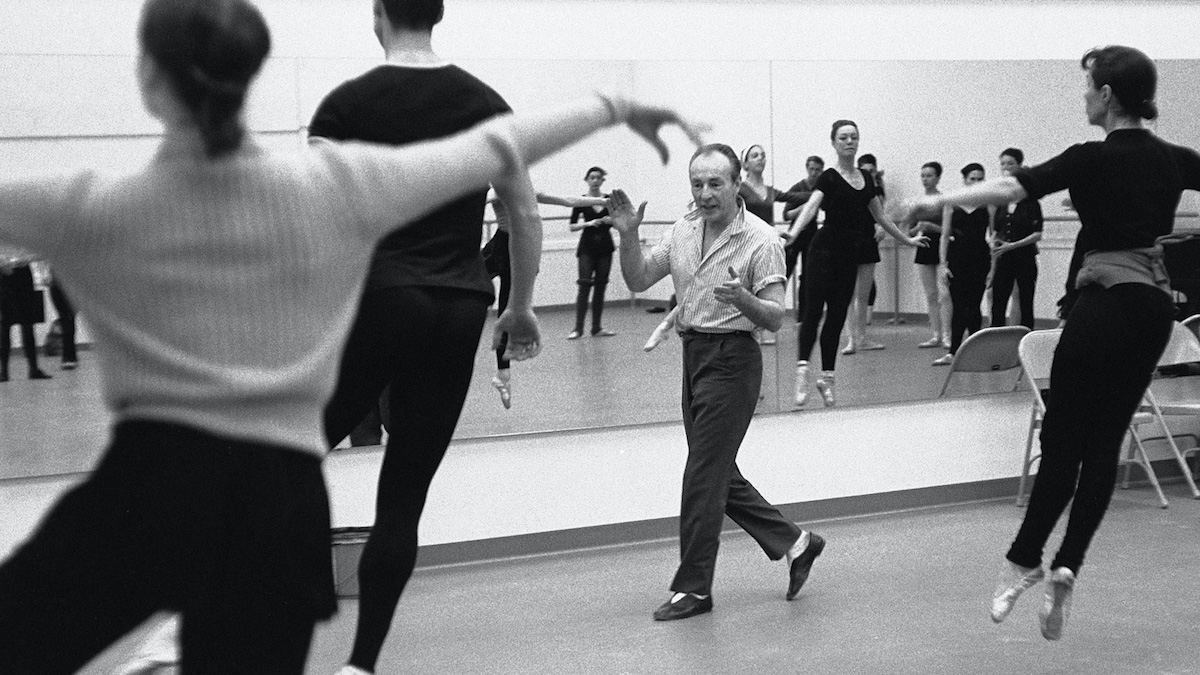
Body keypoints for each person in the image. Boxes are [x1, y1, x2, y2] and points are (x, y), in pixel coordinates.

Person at [0, 0, 703, 671]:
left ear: (148, 80)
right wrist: (612, 105)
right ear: (250, 74)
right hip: (286, 500)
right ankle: (355, 660)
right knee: (387, 508)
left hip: (148, 493)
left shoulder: (87, 207)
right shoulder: (335, 186)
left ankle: (171, 639)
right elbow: (495, 150)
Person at [907, 45, 1196, 641]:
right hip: (1151, 312)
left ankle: (1023, 560)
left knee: (1063, 440)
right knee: (1106, 439)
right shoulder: (1173, 159)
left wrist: (940, 200)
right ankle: (1068, 566)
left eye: (1089, 86)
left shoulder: (1090, 158)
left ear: (1109, 93)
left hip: (1102, 306)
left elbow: (1012, 191)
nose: (1084, 95)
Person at [609, 144, 824, 622]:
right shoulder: (684, 230)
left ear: (736, 184)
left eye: (715, 184)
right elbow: (640, 277)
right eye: (697, 184)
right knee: (718, 473)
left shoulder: (762, 239)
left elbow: (775, 317)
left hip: (733, 360)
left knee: (703, 476)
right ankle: (796, 543)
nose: (705, 194)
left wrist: (743, 298)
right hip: (694, 355)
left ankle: (694, 589)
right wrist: (628, 235)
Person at [785, 121, 926, 407]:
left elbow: (881, 217)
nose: (849, 141)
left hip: (850, 255)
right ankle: (802, 372)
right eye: (843, 137)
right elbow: (812, 207)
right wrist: (794, 233)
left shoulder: (865, 177)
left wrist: (907, 240)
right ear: (834, 143)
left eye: (854, 137)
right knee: (813, 313)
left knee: (837, 317)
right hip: (822, 252)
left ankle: (827, 377)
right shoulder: (828, 177)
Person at [485, 190, 606, 407]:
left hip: (519, 249)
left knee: (507, 310)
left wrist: (602, 200)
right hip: (501, 246)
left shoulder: (528, 190)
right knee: (465, 283)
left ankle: (503, 376)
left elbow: (568, 199)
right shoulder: (497, 192)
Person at [932, 163, 995, 366]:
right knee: (958, 306)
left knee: (974, 306)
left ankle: (975, 351)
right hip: (957, 257)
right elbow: (944, 235)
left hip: (980, 257)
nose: (976, 182)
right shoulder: (952, 203)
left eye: (980, 179)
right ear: (965, 180)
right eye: (972, 178)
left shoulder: (989, 203)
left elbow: (993, 237)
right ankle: (953, 351)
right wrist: (942, 264)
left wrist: (993, 266)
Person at [990, 147, 1044, 329]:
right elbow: (996, 229)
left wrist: (1013, 245)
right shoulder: (1002, 202)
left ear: (1019, 166)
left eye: (1010, 163)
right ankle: (995, 336)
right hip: (1004, 258)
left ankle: (1025, 335)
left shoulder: (1031, 202)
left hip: (1025, 257)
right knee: (998, 300)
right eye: (1003, 164)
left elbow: (1037, 234)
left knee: (1025, 299)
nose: (1006, 167)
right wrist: (994, 240)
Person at [567, 167, 616, 339]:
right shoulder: (581, 201)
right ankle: (577, 328)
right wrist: (589, 223)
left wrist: (610, 221)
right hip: (587, 246)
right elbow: (572, 226)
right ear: (586, 180)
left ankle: (596, 327)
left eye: (598, 178)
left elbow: (617, 221)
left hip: (605, 246)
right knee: (584, 285)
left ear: (603, 181)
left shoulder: (609, 200)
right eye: (592, 177)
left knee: (601, 286)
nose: (595, 181)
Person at [844, 153, 887, 353]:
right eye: (865, 170)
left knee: (863, 294)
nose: (868, 174)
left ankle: (861, 337)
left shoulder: (877, 191)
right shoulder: (847, 186)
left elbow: (883, 215)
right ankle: (851, 338)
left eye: (872, 170)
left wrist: (881, 227)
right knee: (848, 294)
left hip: (868, 241)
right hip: (849, 241)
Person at [910, 162, 951, 348]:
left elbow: (951, 231)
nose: (926, 179)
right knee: (931, 294)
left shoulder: (944, 201)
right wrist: (917, 228)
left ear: (938, 177)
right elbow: (908, 231)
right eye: (923, 176)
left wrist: (934, 227)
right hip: (924, 246)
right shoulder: (917, 203)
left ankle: (948, 333)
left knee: (945, 294)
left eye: (930, 175)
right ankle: (936, 333)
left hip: (942, 247)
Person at [782, 155, 825, 322]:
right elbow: (786, 214)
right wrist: (803, 209)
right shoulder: (797, 187)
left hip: (812, 234)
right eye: (811, 169)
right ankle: (774, 309)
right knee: (785, 272)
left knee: (808, 276)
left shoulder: (821, 189)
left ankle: (803, 317)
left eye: (817, 170)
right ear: (807, 168)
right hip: (795, 233)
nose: (814, 173)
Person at [0, 253, 50, 382]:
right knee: (5, 324)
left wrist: (26, 259)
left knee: (27, 323)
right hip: (5, 274)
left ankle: (32, 368)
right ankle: (3, 371)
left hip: (22, 272)